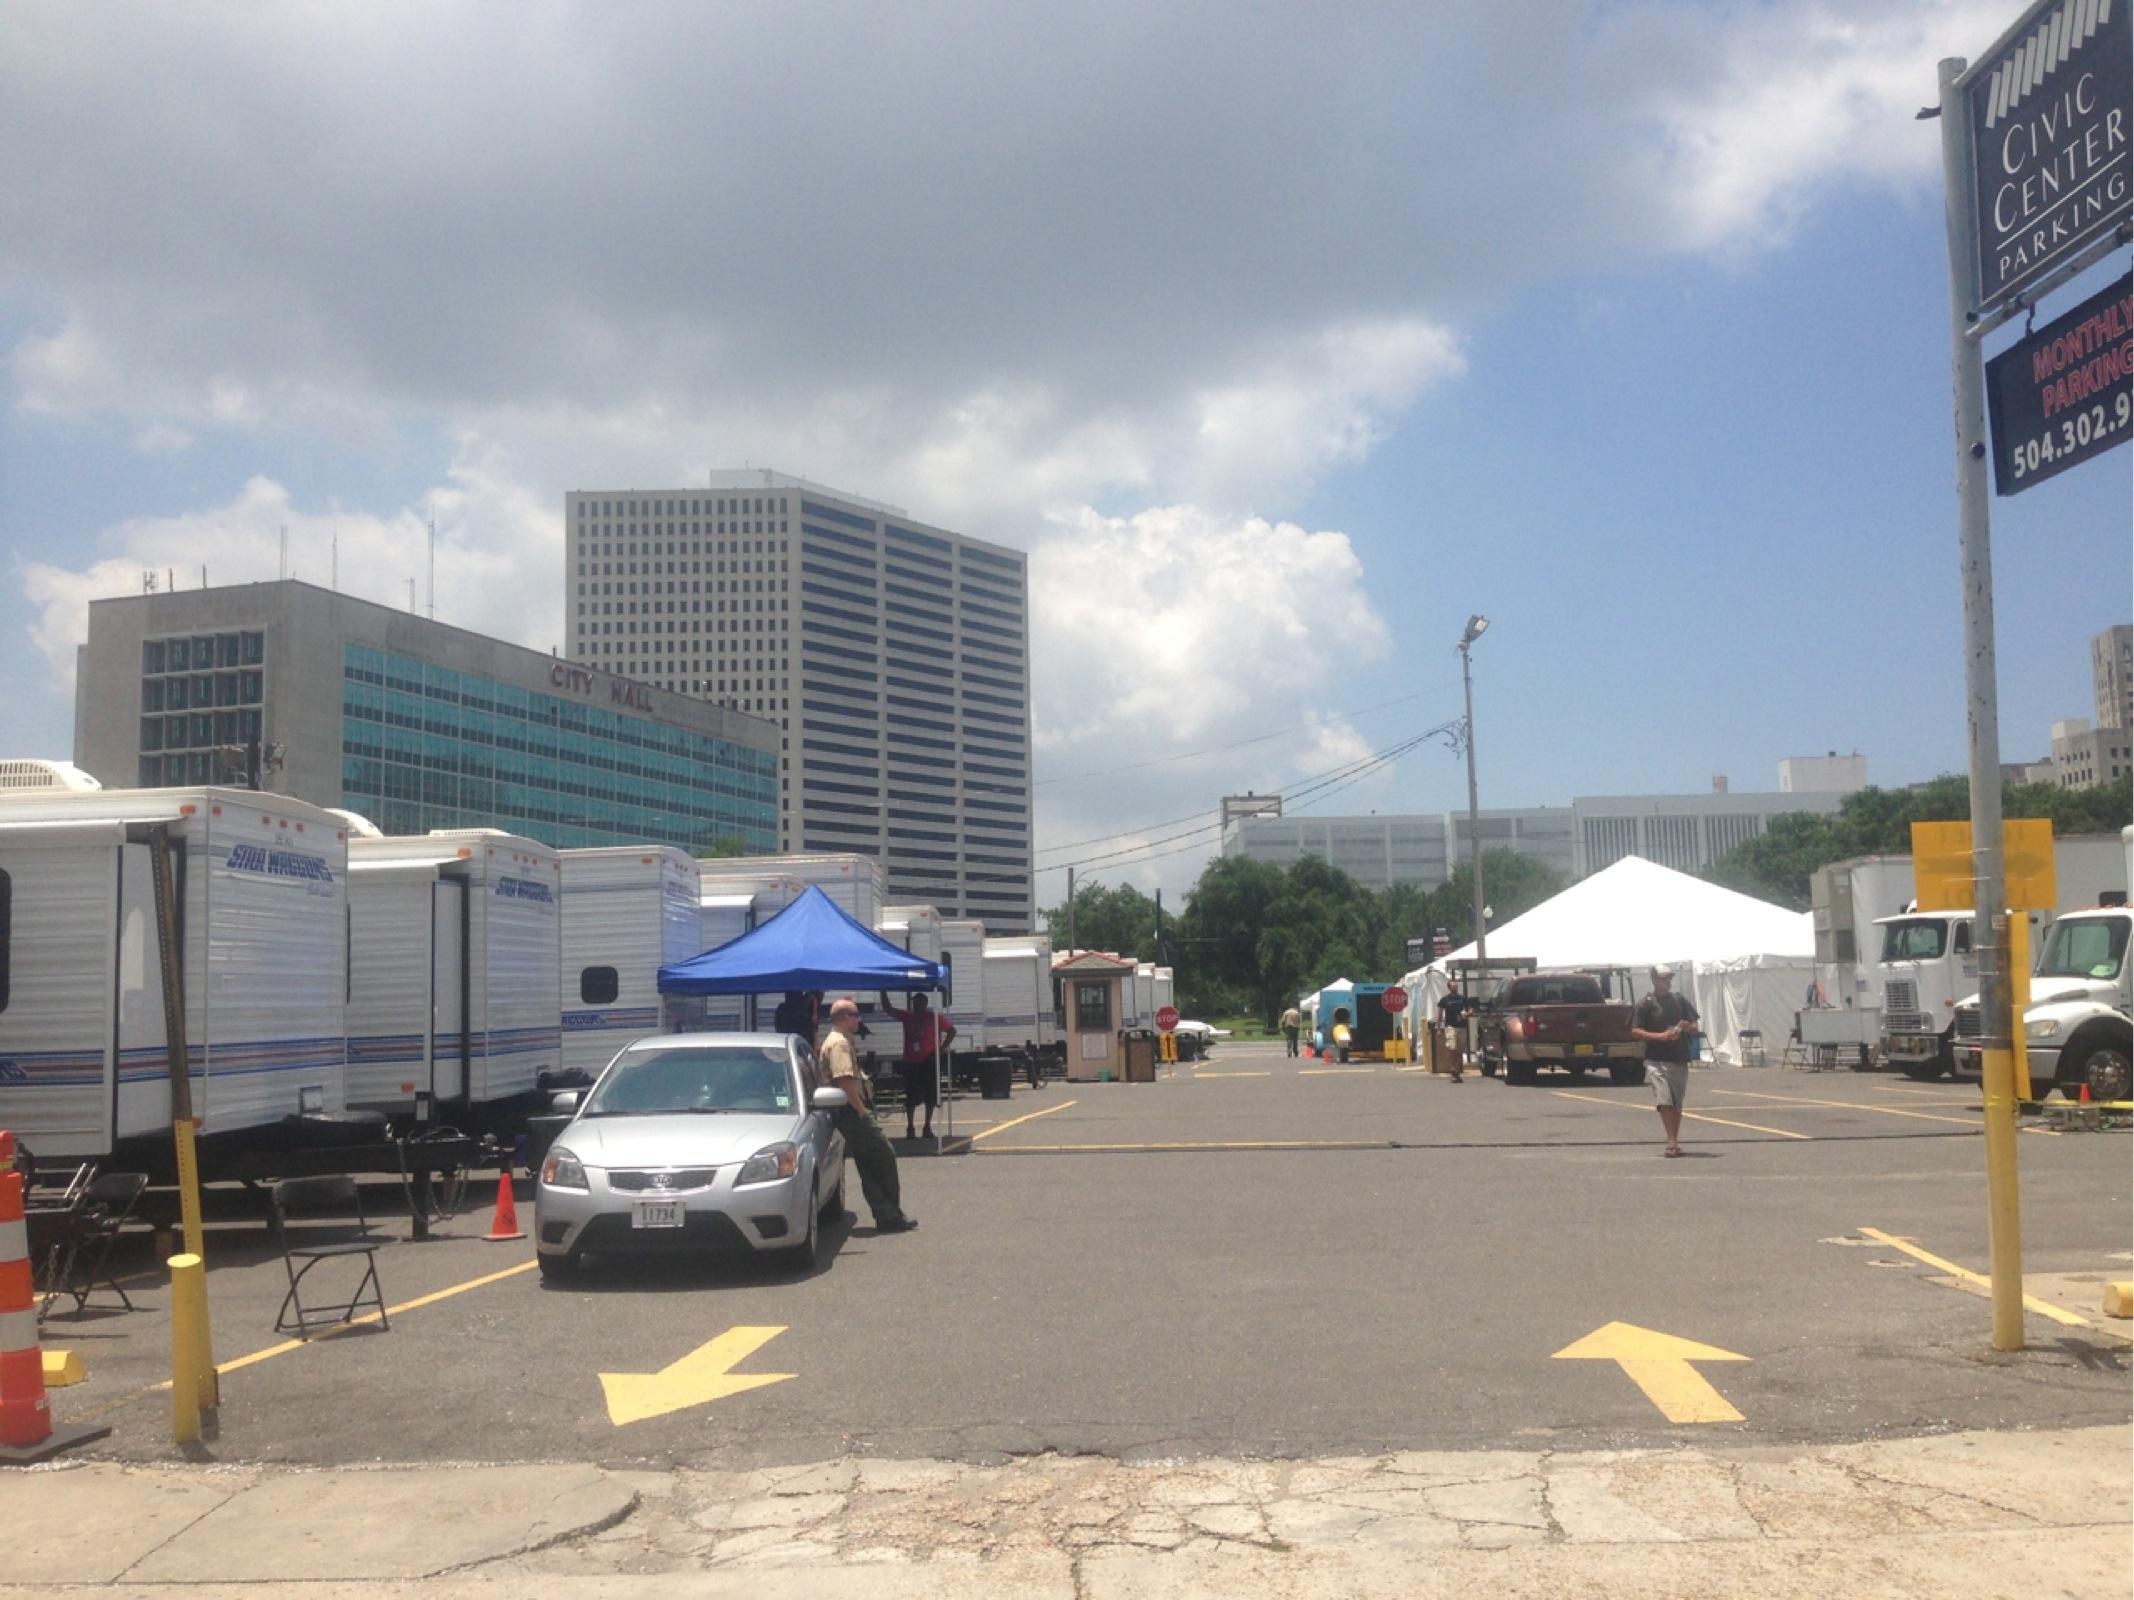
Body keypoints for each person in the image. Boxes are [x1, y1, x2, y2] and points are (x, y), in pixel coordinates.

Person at [819, 997, 916, 1232]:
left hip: (849, 1111)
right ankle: (889, 1213)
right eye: (855, 1015)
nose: (858, 1020)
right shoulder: (839, 1043)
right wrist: (862, 1112)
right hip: (852, 1112)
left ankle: (888, 1216)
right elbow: (844, 1080)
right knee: (884, 1155)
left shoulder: (839, 1041)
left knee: (868, 1163)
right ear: (844, 1018)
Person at [1632, 964, 1701, 1158]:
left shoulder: (1680, 1000)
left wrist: (1688, 1027)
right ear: (1654, 980)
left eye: (1669, 978)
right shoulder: (1646, 1003)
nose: (1667, 982)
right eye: (1663, 979)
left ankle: (1674, 1139)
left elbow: (1695, 1027)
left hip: (1678, 1058)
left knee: (1676, 1103)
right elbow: (1635, 1030)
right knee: (1664, 1100)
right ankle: (1671, 1142)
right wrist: (1660, 1036)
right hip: (1655, 1059)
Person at [879, 990, 956, 1140]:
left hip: (928, 1060)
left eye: (918, 1003)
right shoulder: (908, 1017)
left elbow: (952, 1031)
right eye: (914, 1003)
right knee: (911, 1097)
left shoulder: (934, 1018)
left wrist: (941, 1049)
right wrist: (883, 991)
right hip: (911, 1061)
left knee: (930, 1096)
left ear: (925, 1004)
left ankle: (927, 1126)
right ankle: (910, 1127)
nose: (915, 1005)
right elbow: (888, 1009)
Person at [1435, 981, 1468, 1083]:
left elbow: (1470, 1009)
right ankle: (1452, 1069)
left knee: (1459, 1050)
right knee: (1452, 1048)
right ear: (1449, 987)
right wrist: (1439, 1028)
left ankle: (1457, 1071)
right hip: (1450, 1026)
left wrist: (1467, 1013)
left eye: (1456, 986)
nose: (1455, 988)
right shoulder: (1445, 1000)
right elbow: (1440, 1014)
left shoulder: (1462, 998)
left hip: (1461, 1027)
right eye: (1453, 986)